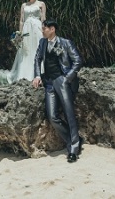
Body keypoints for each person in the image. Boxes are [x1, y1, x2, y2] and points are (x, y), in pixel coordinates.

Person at [32, 19, 83, 163]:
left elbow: (78, 60)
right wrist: (37, 75)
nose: (43, 31)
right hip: (48, 82)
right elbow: (37, 58)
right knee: (52, 116)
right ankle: (74, 139)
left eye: (45, 28)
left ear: (52, 29)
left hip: (62, 80)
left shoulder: (66, 43)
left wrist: (67, 78)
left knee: (69, 113)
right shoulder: (42, 42)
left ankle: (73, 149)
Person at [0, 0, 46, 85]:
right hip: (27, 29)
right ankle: (24, 74)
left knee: (38, 49)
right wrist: (20, 34)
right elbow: (21, 20)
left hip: (37, 29)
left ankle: (39, 75)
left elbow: (43, 19)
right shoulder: (24, 5)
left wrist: (44, 31)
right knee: (25, 51)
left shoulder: (41, 4)